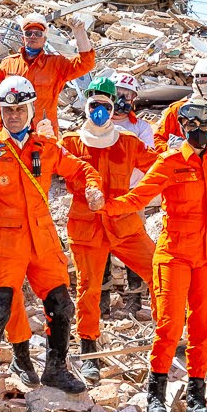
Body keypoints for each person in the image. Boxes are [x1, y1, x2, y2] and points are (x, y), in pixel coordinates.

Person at [107, 100, 207, 412]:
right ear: (182, 128)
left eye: (205, 127)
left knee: (203, 327)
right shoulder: (168, 162)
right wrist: (104, 205)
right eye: (192, 127)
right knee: (169, 325)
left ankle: (196, 396)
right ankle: (156, 395)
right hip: (174, 255)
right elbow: (138, 196)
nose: (199, 132)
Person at [0, 75, 103, 408]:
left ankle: (56, 368)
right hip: (2, 241)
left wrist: (94, 188)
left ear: (30, 109)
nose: (14, 116)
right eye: (8, 110)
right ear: (1, 112)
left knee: (62, 305)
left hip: (41, 239)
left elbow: (81, 169)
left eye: (19, 109)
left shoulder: (46, 147)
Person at [61, 77, 159, 380]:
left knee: (159, 272)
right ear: (86, 106)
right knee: (87, 288)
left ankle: (170, 335)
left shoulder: (128, 142)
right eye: (94, 105)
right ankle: (89, 348)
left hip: (124, 223)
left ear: (113, 106)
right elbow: (46, 166)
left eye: (106, 106)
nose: (100, 112)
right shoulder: (71, 142)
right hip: (87, 225)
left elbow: (158, 167)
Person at [0, 13, 95, 133]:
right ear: (22, 38)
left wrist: (79, 33)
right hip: (13, 132)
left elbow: (86, 63)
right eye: (28, 33)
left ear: (45, 40)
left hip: (44, 133)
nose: (33, 36)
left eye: (38, 33)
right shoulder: (8, 64)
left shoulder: (56, 64)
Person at [160, 58, 207, 146]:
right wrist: (172, 150)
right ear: (195, 82)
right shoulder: (176, 111)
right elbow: (157, 140)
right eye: (203, 81)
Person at [112, 72, 155, 148]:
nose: (122, 100)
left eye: (128, 95)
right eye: (117, 94)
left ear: (133, 100)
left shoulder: (141, 127)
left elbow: (149, 155)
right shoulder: (99, 121)